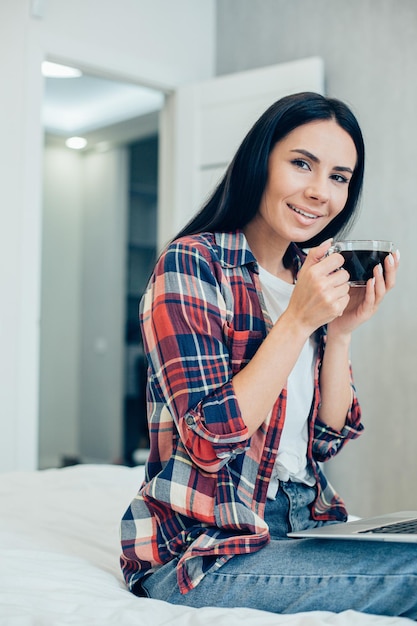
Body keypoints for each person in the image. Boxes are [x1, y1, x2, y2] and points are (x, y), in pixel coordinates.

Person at [120, 92, 415, 618]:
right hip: (206, 550)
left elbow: (324, 441)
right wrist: (298, 321)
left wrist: (340, 332)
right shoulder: (192, 264)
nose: (319, 192)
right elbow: (209, 442)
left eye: (339, 177)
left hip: (306, 521)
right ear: (261, 161)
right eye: (302, 164)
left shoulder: (311, 273)